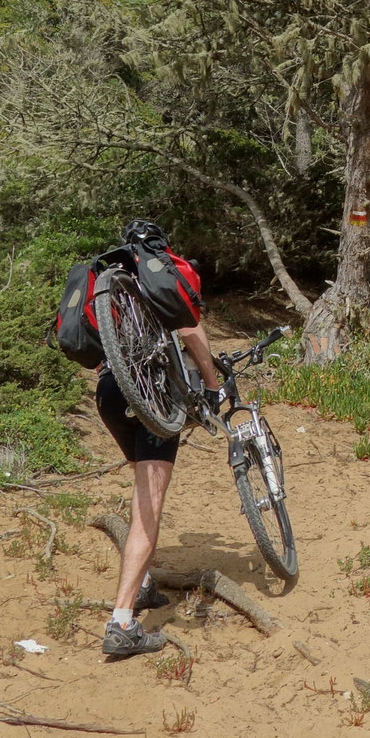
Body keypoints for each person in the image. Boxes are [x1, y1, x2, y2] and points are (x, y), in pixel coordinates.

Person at [95, 221, 222, 659]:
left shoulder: (111, 281)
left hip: (110, 394)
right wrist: (210, 382)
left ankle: (144, 583)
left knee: (141, 488)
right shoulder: (163, 273)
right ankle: (123, 622)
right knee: (149, 507)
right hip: (151, 393)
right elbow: (188, 330)